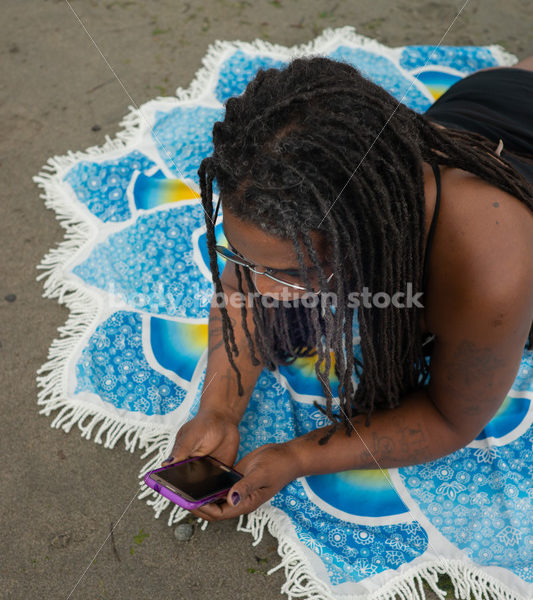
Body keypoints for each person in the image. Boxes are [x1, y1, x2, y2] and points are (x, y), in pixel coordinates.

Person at [161, 55, 533, 522]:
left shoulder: (490, 275)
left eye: (289, 274)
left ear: (370, 237)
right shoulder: (304, 195)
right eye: (242, 257)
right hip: (493, 99)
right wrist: (218, 409)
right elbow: (240, 297)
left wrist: (297, 458)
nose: (256, 288)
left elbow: (448, 417)